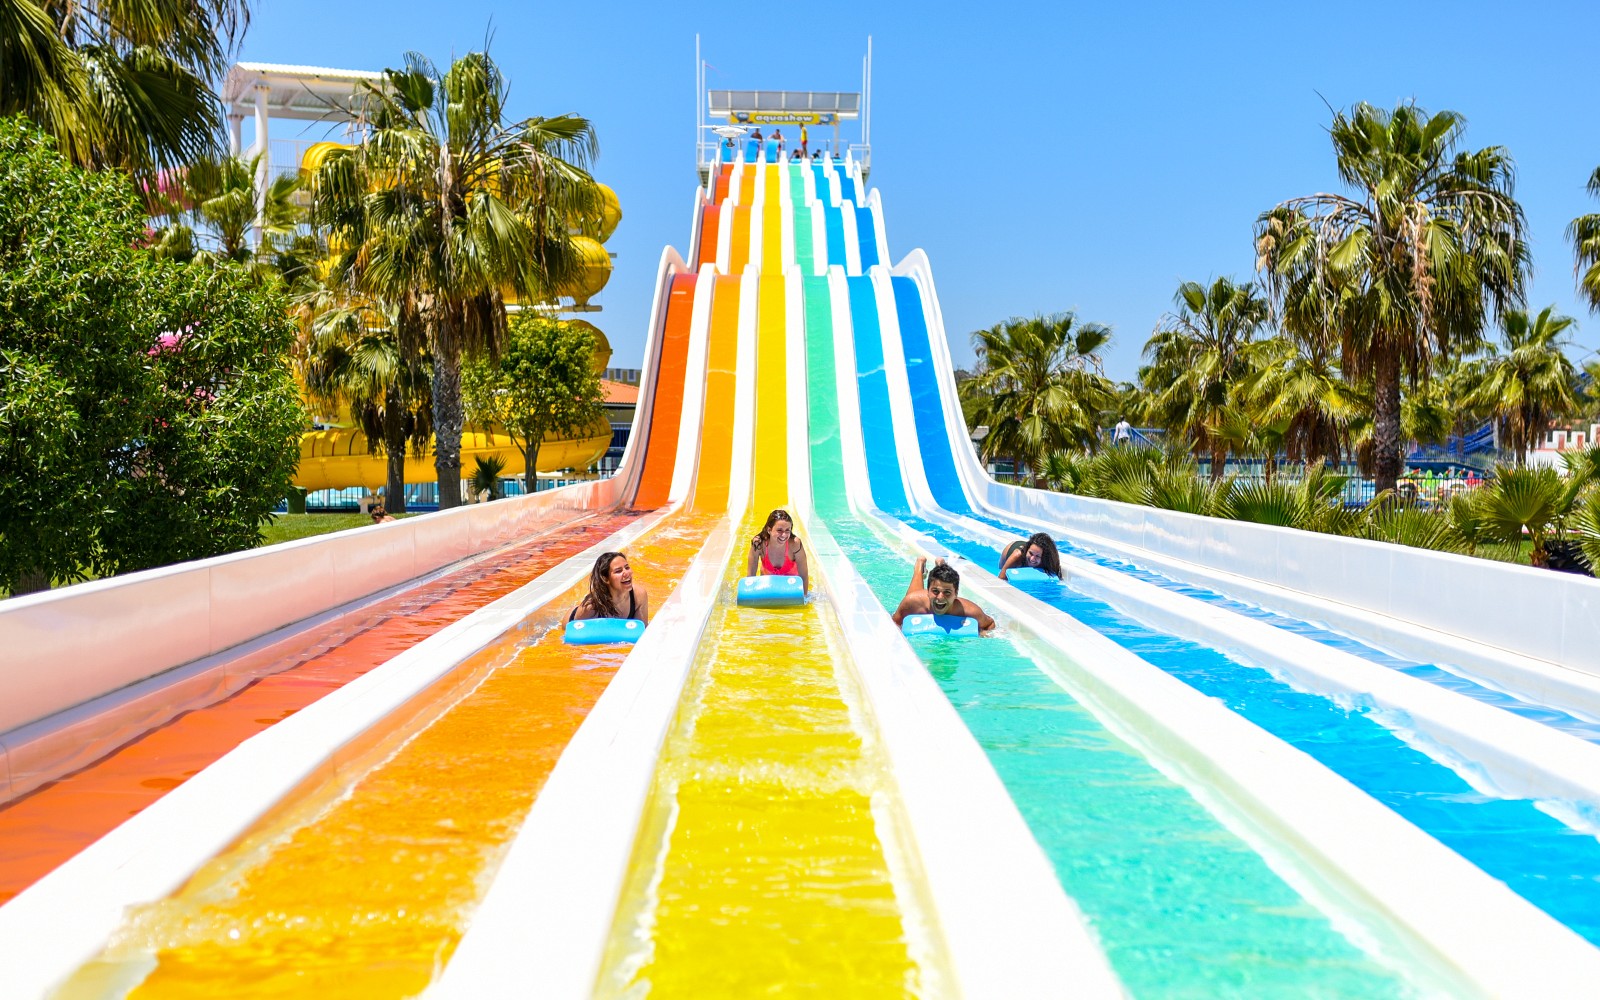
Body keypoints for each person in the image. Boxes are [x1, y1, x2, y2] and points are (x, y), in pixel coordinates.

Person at [892, 557, 995, 632]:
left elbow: (990, 624)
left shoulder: (970, 611)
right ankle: (919, 566)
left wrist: (983, 634)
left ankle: (940, 568)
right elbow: (894, 623)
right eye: (935, 591)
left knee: (938, 583)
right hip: (920, 600)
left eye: (947, 592)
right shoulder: (912, 601)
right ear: (928, 591)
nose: (940, 597)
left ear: (956, 594)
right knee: (913, 594)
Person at [570, 551, 650, 624]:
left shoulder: (639, 595)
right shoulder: (591, 606)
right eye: (618, 571)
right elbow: (574, 630)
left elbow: (642, 630)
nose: (626, 573)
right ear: (605, 579)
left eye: (627, 567)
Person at [747, 508, 810, 592]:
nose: (784, 535)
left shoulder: (795, 544)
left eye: (787, 530)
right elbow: (750, 577)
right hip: (768, 586)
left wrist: (804, 596)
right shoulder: (759, 543)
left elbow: (804, 576)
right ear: (769, 530)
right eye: (779, 530)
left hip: (791, 587)